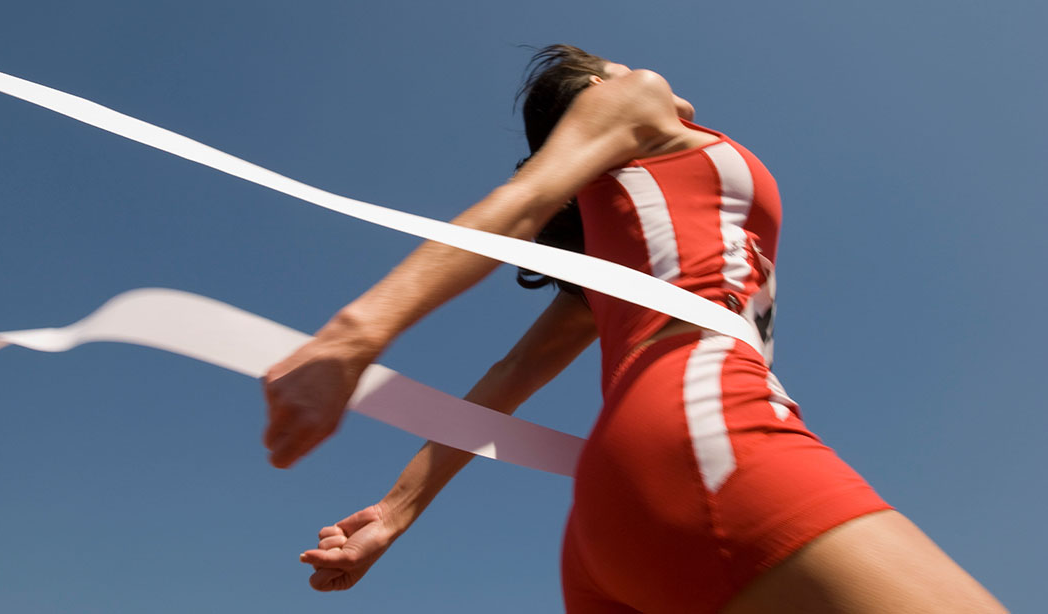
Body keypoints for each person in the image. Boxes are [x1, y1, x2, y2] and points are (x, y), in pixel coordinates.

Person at [262, 45, 1006, 613]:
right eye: (609, 68)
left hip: (605, 524)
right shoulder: (635, 97)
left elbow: (508, 380)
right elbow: (523, 201)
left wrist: (393, 513)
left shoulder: (618, 266)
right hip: (708, 433)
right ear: (595, 89)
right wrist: (352, 336)